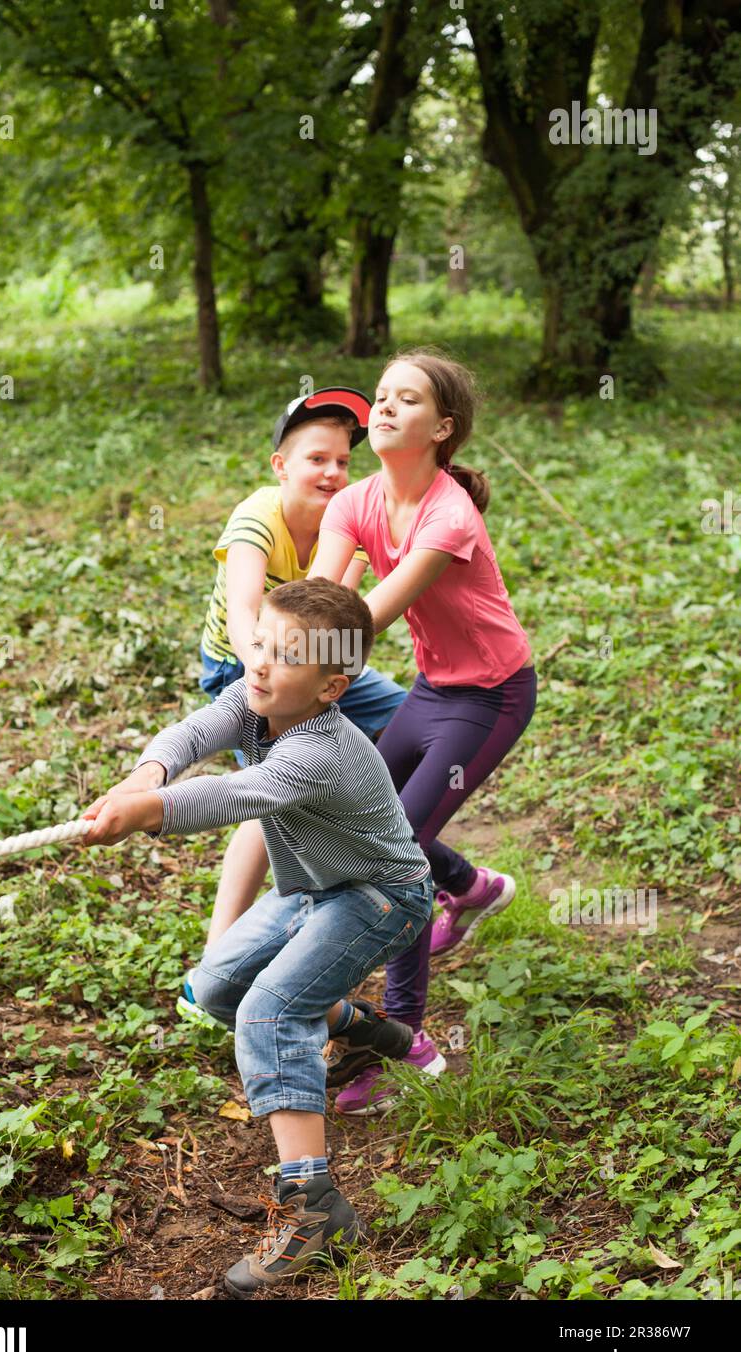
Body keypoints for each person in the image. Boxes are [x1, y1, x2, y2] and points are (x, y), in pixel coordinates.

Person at [81, 578, 433, 1297]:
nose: (262, 665)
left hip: (380, 897)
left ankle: (314, 1213)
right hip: (308, 889)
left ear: (332, 685)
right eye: (261, 646)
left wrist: (150, 809)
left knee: (269, 1013)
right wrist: (147, 772)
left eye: (286, 656)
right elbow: (197, 732)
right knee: (214, 988)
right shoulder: (258, 698)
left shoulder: (321, 750)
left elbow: (236, 796)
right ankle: (356, 1026)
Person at [310, 348, 537, 1115]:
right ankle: (471, 887)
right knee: (366, 818)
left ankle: (399, 1048)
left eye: (406, 400)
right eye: (380, 396)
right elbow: (323, 600)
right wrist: (283, 664)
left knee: (393, 855)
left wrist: (311, 667)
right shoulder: (355, 503)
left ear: (442, 429)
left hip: (493, 697)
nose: (384, 408)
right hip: (433, 688)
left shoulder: (450, 513)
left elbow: (366, 617)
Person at [178, 388, 406, 1022]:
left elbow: (336, 621)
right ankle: (219, 950)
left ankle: (370, 842)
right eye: (316, 459)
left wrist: (326, 676)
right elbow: (247, 609)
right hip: (243, 660)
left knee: (406, 718)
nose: (332, 472)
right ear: (281, 465)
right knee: (265, 792)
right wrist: (266, 664)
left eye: (341, 461)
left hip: (316, 663)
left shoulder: (349, 524)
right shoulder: (257, 515)